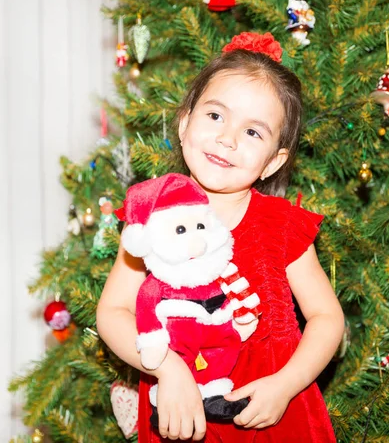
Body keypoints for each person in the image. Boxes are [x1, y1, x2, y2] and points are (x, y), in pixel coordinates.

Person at [96, 31, 344, 442]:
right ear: (184, 122)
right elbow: (112, 313)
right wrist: (167, 368)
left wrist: (285, 385)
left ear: (273, 161)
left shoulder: (282, 225)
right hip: (180, 410)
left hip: (272, 417)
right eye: (215, 116)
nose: (227, 138)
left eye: (253, 132)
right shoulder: (151, 215)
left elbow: (327, 318)